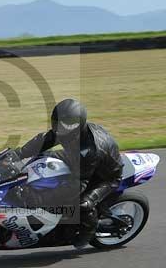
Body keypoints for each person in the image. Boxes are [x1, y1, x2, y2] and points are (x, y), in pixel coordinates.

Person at [9, 98, 123, 248]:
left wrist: (40, 198)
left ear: (77, 126)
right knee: (42, 157)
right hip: (75, 158)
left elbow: (78, 184)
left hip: (104, 177)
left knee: (83, 204)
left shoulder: (89, 151)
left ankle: (87, 233)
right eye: (57, 123)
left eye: (63, 126)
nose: (58, 129)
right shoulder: (68, 132)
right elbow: (44, 140)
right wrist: (17, 155)